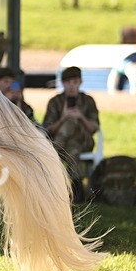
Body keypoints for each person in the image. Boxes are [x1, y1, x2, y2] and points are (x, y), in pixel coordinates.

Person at [42, 66, 100, 203]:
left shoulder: (88, 101)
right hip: (70, 145)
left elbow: (93, 128)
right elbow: (48, 130)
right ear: (63, 83)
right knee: (73, 149)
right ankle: (77, 190)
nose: (71, 86)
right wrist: (62, 118)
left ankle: (54, 181)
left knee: (71, 123)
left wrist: (80, 117)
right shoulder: (55, 102)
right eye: (68, 82)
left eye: (75, 82)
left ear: (80, 82)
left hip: (83, 140)